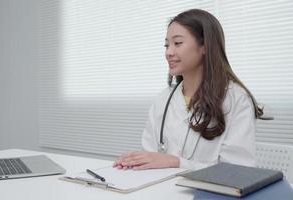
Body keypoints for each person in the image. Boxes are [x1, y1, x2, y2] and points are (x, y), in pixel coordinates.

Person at [113, 9, 264, 170]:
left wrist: (177, 162)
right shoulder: (163, 99)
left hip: (207, 194)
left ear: (205, 46)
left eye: (177, 43)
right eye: (166, 45)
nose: (168, 52)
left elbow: (238, 171)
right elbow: (150, 157)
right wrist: (134, 162)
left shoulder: (236, 99)